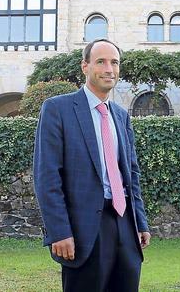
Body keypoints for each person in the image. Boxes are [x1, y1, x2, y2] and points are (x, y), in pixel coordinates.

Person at [33, 39, 151, 292]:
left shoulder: (121, 115)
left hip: (124, 224)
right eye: (101, 61)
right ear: (85, 66)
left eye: (115, 62)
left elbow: (130, 174)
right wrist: (59, 231)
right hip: (83, 229)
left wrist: (140, 222)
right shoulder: (57, 109)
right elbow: (47, 177)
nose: (109, 68)